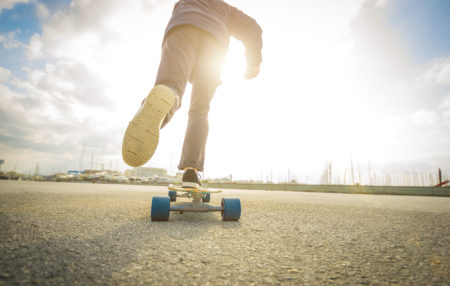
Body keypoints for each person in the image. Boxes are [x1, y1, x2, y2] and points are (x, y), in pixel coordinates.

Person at [122, 0, 263, 188]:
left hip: (182, 27)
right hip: (215, 45)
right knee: (199, 111)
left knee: (170, 87)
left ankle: (158, 105)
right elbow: (253, 28)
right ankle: (191, 172)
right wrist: (253, 62)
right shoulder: (226, 10)